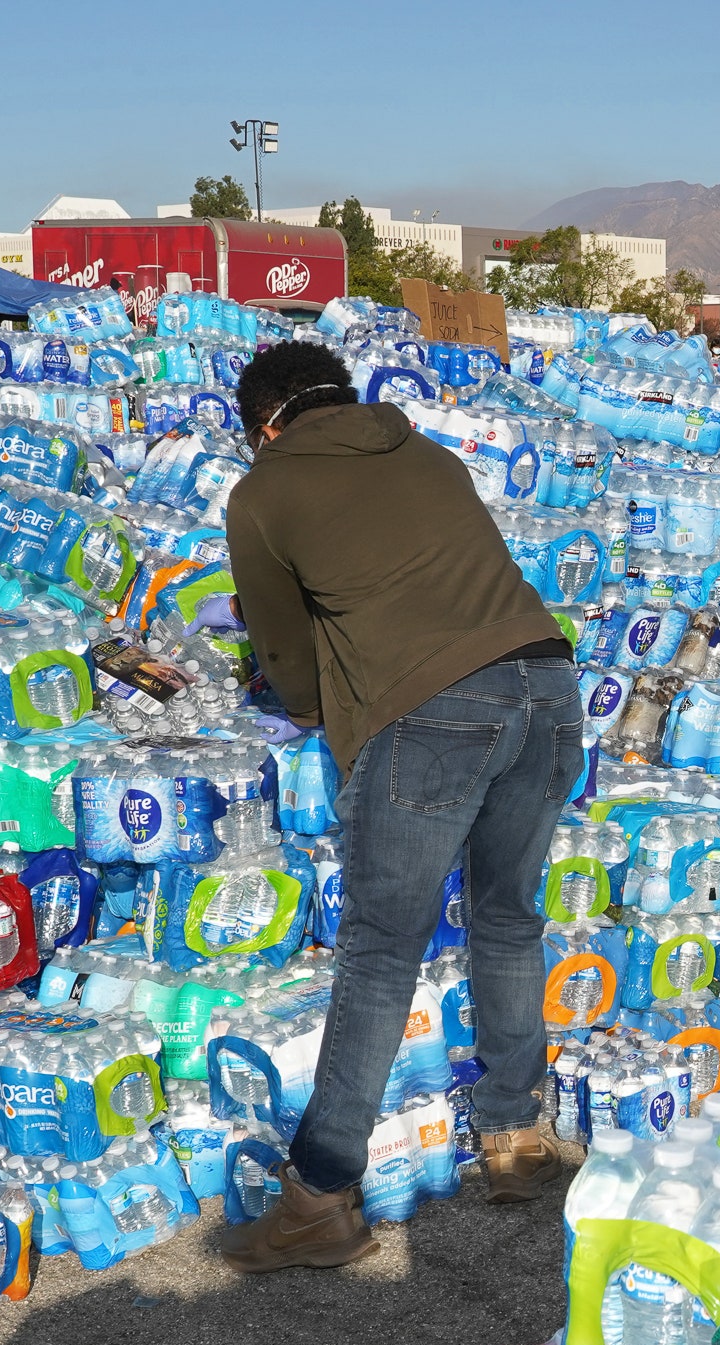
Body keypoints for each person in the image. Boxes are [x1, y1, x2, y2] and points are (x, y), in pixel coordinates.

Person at [219, 341, 584, 1271]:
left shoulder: (263, 493)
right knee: (506, 918)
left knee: (381, 951)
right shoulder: (428, 454)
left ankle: (320, 1197)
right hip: (547, 683)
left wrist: (309, 713)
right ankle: (516, 1140)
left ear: (266, 424)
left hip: (434, 712)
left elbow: (283, 645)